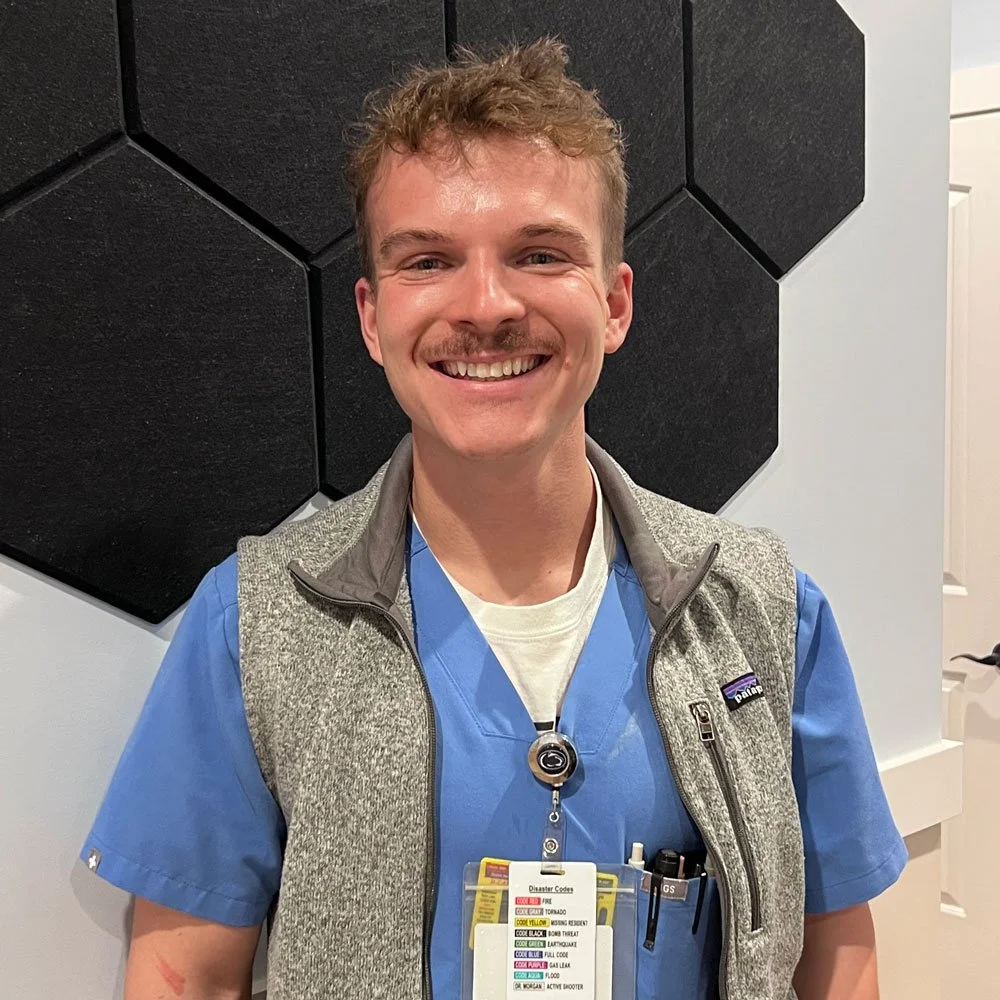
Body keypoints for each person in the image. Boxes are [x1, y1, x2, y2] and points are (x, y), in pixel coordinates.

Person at [81, 37, 906, 1000]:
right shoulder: (256, 626)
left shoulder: (764, 606)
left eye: (540, 254)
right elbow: (186, 978)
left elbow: (837, 953)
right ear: (371, 315)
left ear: (614, 301)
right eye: (427, 260)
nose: (486, 305)